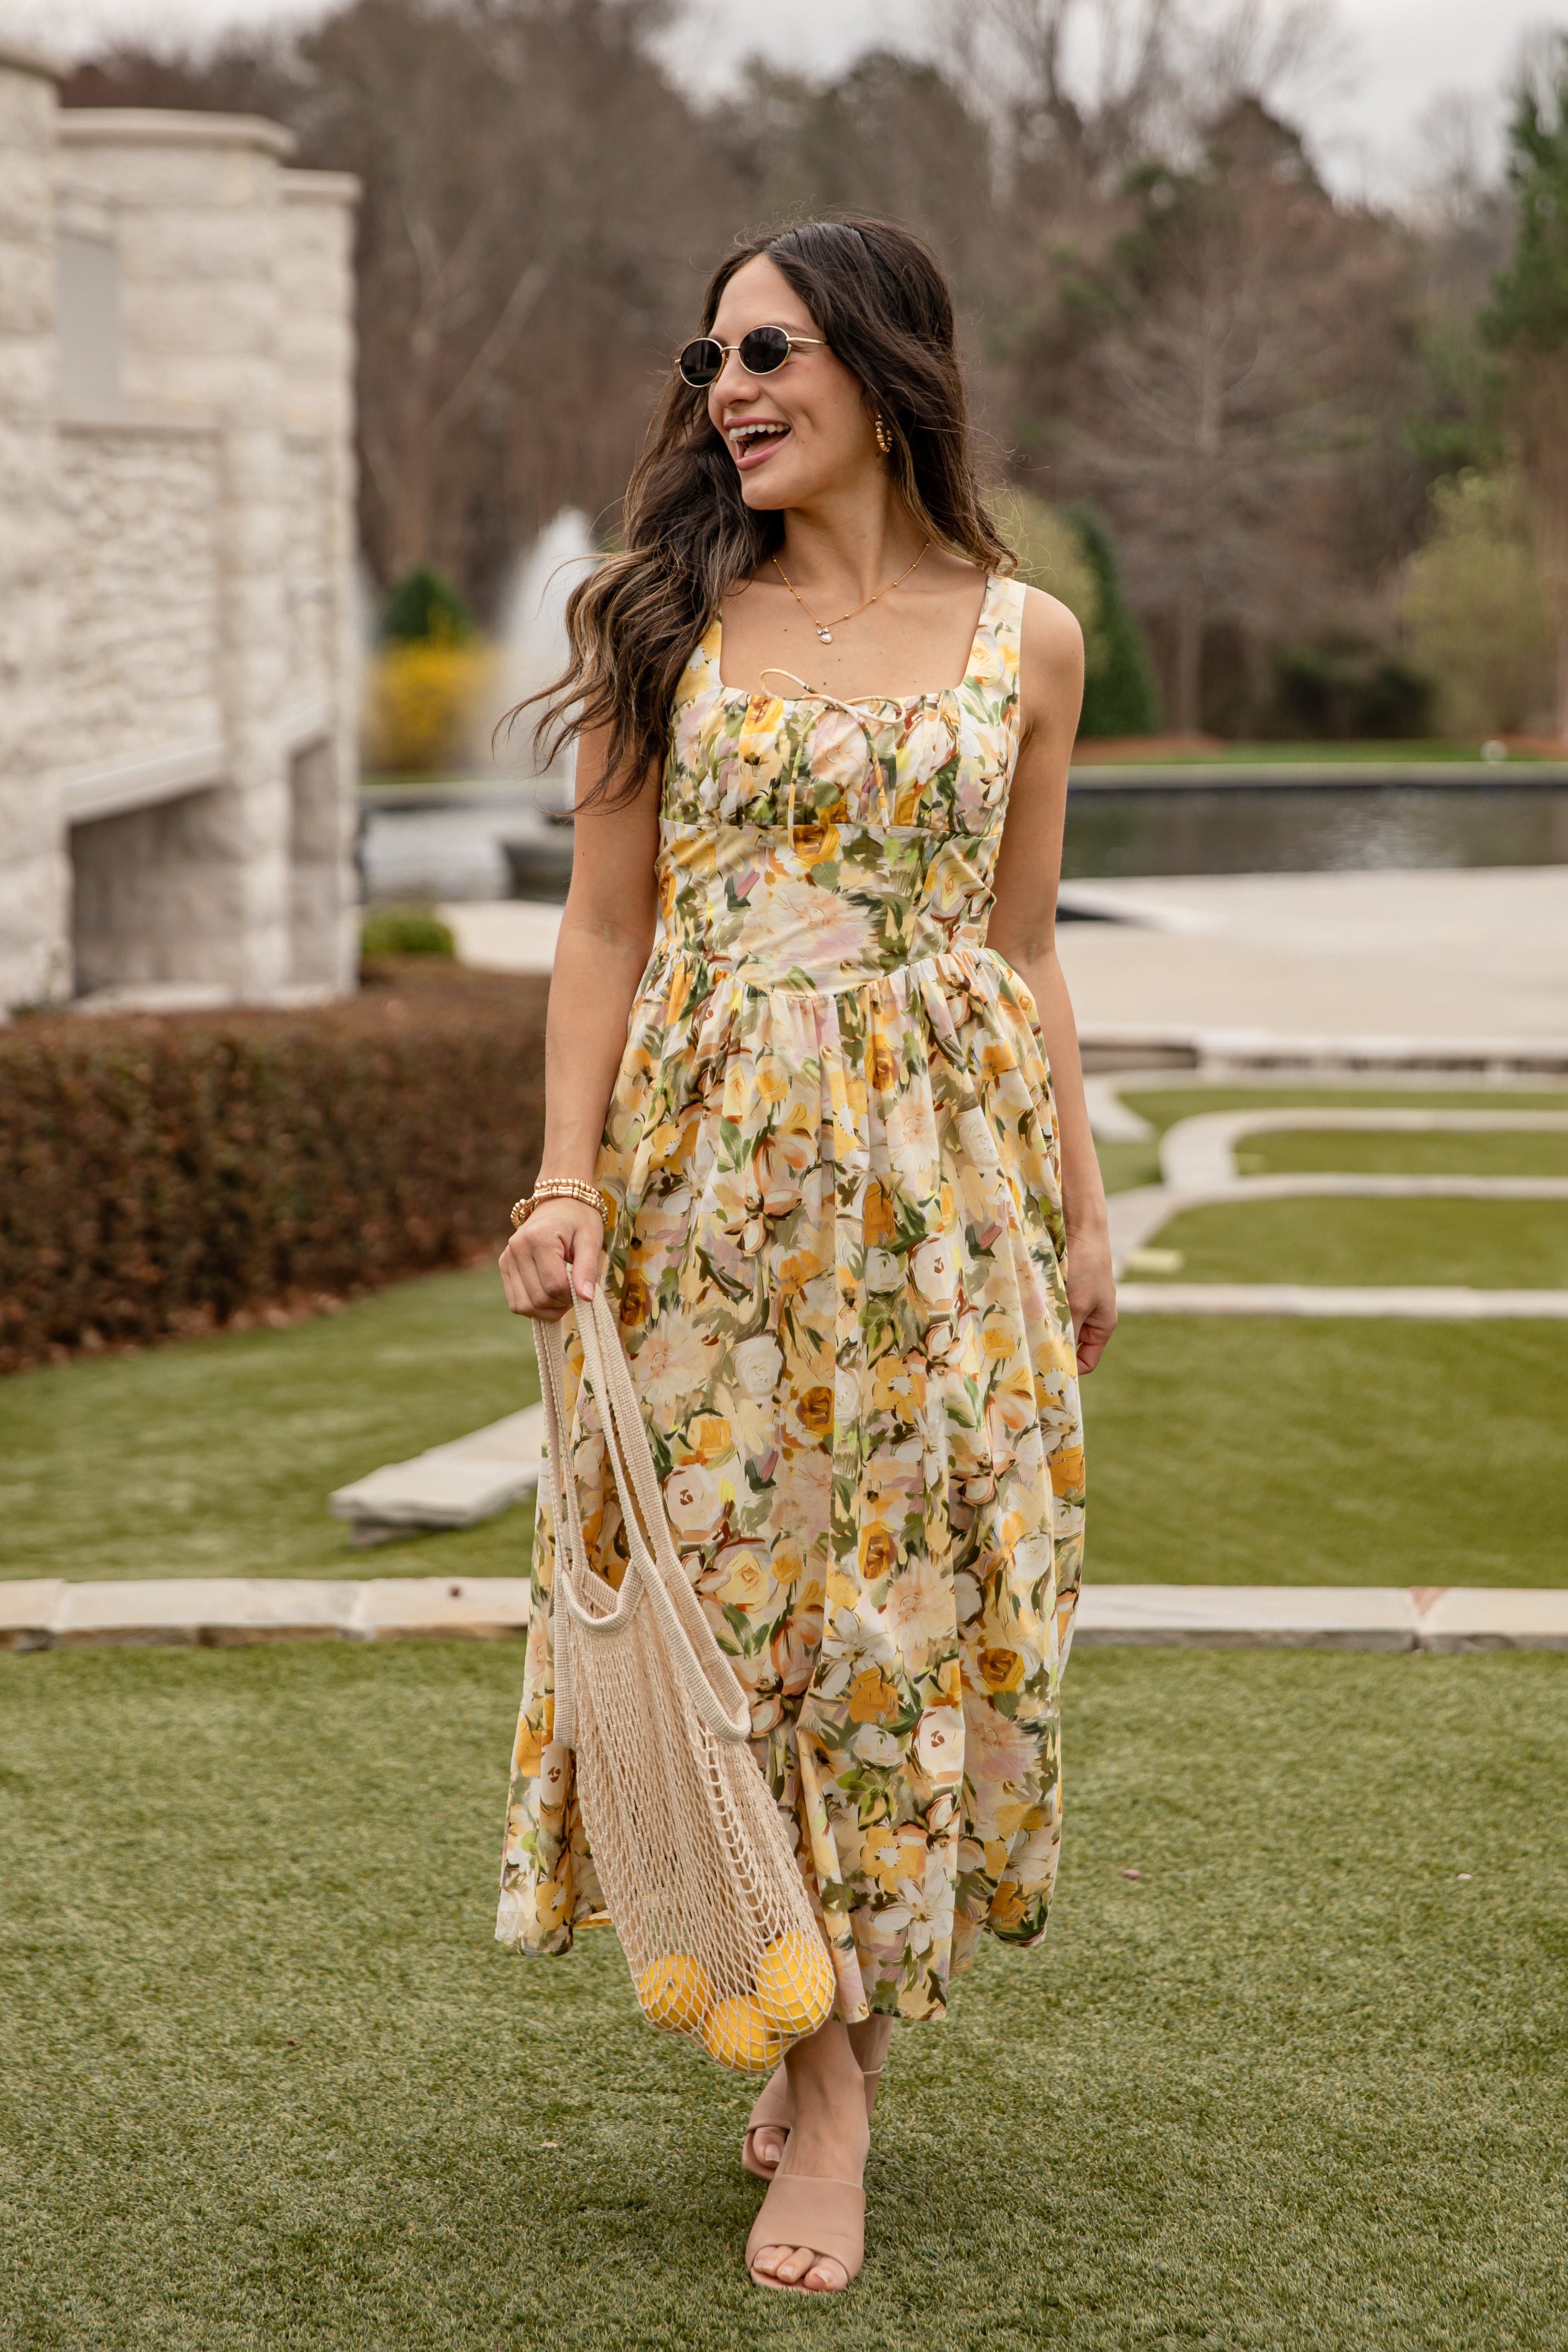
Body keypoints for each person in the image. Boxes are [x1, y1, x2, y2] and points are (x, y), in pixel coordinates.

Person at [496, 214, 1117, 2296]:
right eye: (710, 359)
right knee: (738, 1617)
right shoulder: (661, 616)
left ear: (879, 365)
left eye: (767, 350)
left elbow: (1018, 946)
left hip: (939, 1213)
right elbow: (601, 926)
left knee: (892, 1620)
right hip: (702, 1199)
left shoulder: (1023, 639)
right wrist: (560, 1181)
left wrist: (1084, 1205)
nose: (726, 388)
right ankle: (821, 2084)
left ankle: (823, 2059)